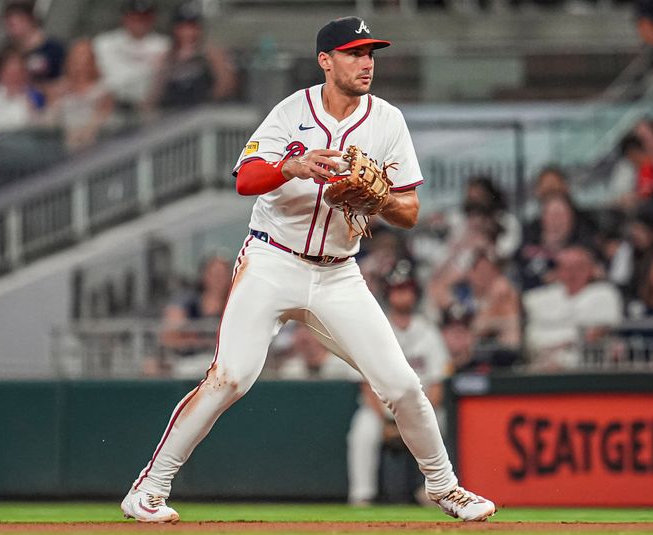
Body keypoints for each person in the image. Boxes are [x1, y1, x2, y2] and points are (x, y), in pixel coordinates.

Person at [120, 16, 496, 523]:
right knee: (230, 377)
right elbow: (246, 179)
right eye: (354, 53)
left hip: (338, 272)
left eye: (371, 54)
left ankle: (445, 488)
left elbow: (410, 212)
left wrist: (379, 196)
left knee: (403, 384)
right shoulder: (291, 110)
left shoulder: (387, 120)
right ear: (326, 60)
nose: (366, 63)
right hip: (272, 258)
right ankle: (149, 488)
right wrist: (290, 166)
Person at [347, 270, 450, 506]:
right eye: (397, 289)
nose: (402, 295)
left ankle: (436, 492)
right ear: (389, 293)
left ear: (415, 294)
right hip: (381, 409)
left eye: (406, 289)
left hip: (419, 408)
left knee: (441, 423)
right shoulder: (376, 327)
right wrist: (386, 422)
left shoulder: (428, 331)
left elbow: (437, 385)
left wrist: (417, 419)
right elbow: (365, 385)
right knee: (363, 432)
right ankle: (362, 495)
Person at [523, 245, 623, 370]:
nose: (572, 273)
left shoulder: (604, 293)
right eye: (565, 267)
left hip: (584, 365)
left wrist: (557, 347)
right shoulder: (541, 296)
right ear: (558, 271)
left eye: (579, 267)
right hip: (538, 361)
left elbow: (596, 332)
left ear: (591, 269)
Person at [149, 0, 236, 109]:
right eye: (183, 28)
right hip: (173, 111)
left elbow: (226, 84)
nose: (188, 32)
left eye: (193, 27)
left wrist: (208, 103)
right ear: (175, 29)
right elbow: (157, 91)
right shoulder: (168, 56)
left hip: (204, 111)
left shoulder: (211, 53)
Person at [93, 0, 170, 110]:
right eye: (134, 17)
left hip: (144, 105)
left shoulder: (164, 45)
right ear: (125, 17)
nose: (139, 22)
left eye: (144, 18)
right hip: (107, 104)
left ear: (152, 19)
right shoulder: (104, 42)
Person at [44, 39, 114, 151]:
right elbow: (48, 123)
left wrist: (84, 134)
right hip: (63, 145)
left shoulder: (103, 90)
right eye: (76, 56)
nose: (79, 61)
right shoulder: (59, 89)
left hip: (94, 145)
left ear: (92, 60)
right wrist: (54, 100)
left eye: (83, 55)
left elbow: (104, 121)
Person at [0, 46, 43, 143]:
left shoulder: (35, 97)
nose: (14, 78)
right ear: (0, 72)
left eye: (18, 72)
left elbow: (37, 127)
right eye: (9, 72)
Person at [0, 1, 66, 91]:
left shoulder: (54, 49)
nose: (10, 31)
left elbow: (64, 80)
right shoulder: (5, 49)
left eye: (13, 25)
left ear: (29, 20)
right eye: (8, 26)